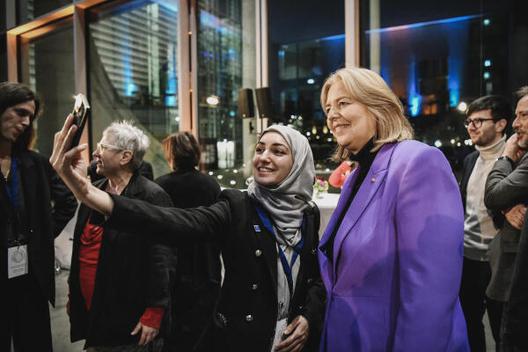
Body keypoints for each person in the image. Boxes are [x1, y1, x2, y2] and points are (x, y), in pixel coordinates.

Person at [51, 121, 325, 352]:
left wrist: (308, 317)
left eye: (278, 151)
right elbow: (177, 222)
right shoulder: (238, 206)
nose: (264, 156)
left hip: (293, 340)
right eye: (260, 148)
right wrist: (91, 195)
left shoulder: (307, 214)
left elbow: (315, 278)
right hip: (245, 340)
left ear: (299, 162)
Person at [318, 67, 469, 352]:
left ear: (377, 104)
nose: (332, 115)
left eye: (343, 103)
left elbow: (430, 295)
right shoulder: (358, 175)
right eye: (328, 108)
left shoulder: (418, 161)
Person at [67, 121, 174, 351]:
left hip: (130, 321)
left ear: (125, 157)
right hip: (94, 314)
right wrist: (74, 295)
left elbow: (162, 259)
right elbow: (82, 249)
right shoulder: (94, 190)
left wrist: (155, 311)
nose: (95, 152)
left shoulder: (152, 196)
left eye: (103, 146)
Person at [0, 82, 76, 351]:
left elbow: (67, 202)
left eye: (30, 117)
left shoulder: (34, 162)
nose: (25, 121)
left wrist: (39, 237)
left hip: (30, 274)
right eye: (19, 112)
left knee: (34, 343)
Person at [155, 132, 221, 352]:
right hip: (206, 267)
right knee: (203, 336)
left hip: (174, 271)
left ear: (172, 155)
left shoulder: (160, 186)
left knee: (175, 338)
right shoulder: (211, 185)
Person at [458, 95, 512, 352]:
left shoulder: (515, 162)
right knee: (469, 323)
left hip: (500, 260)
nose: (471, 126)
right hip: (468, 257)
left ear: (501, 124)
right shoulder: (470, 160)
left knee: (503, 327)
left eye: (479, 121)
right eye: (469, 121)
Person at [484, 86, 528, 350]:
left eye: (523, 116)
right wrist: (505, 209)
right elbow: (495, 203)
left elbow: (492, 195)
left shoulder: (515, 156)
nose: (516, 124)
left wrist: (505, 156)